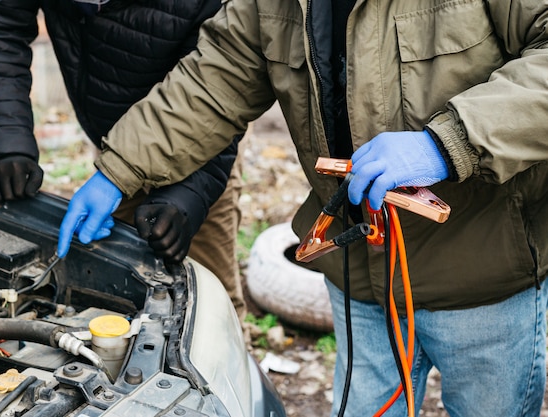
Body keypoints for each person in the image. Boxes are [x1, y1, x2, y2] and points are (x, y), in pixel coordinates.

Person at [57, 0, 548, 416]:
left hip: (486, 280)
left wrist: (448, 142)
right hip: (361, 275)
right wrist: (118, 170)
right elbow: (215, 79)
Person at [0, 0, 248, 323]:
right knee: (121, 296)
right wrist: (5, 139)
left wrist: (189, 195)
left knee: (207, 304)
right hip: (114, 139)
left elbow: (224, 89)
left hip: (200, 148)